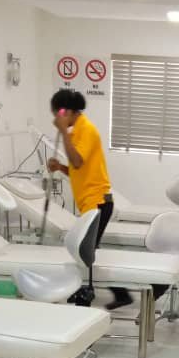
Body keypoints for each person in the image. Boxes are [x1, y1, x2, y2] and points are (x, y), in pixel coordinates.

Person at [47, 88, 132, 310]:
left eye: (58, 113)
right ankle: (106, 290)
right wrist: (59, 167)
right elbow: (77, 169)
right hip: (91, 203)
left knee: (87, 250)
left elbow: (77, 161)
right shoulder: (77, 132)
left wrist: (64, 132)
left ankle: (111, 292)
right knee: (89, 250)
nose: (56, 118)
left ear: (68, 111)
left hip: (98, 203)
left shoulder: (86, 130)